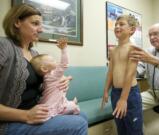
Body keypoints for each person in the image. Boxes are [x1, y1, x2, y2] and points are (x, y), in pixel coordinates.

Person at [0, 4, 88, 135]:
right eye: (35, 24)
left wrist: (61, 81)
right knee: (77, 124)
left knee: (82, 116)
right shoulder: (4, 46)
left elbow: (42, 85)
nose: (41, 30)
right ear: (17, 22)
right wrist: (26, 115)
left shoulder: (34, 54)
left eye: (41, 25)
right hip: (10, 122)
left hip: (37, 113)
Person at [101, 14, 143, 135]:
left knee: (134, 128)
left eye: (121, 24)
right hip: (115, 92)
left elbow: (130, 74)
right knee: (121, 127)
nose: (117, 27)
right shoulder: (113, 50)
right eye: (116, 25)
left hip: (130, 94)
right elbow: (110, 72)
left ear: (132, 30)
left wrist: (124, 99)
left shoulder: (133, 49)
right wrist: (105, 90)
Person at [30, 38, 80, 119]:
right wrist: (64, 49)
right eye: (52, 61)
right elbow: (64, 64)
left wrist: (67, 78)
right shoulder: (53, 75)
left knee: (64, 99)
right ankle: (72, 105)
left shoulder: (46, 77)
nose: (56, 61)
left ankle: (69, 103)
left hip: (51, 101)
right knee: (74, 107)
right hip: (54, 106)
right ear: (44, 69)